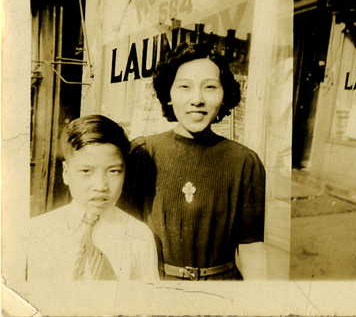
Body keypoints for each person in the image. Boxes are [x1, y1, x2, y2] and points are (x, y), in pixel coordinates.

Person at [118, 41, 266, 281]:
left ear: (224, 95)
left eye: (209, 87)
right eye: (184, 87)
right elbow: (122, 238)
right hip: (157, 289)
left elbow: (252, 249)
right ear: (168, 94)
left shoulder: (245, 161)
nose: (197, 99)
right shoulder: (143, 153)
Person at [27, 115, 160, 281]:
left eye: (114, 171)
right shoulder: (37, 231)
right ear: (66, 173)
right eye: (86, 171)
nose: (100, 186)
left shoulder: (139, 236)